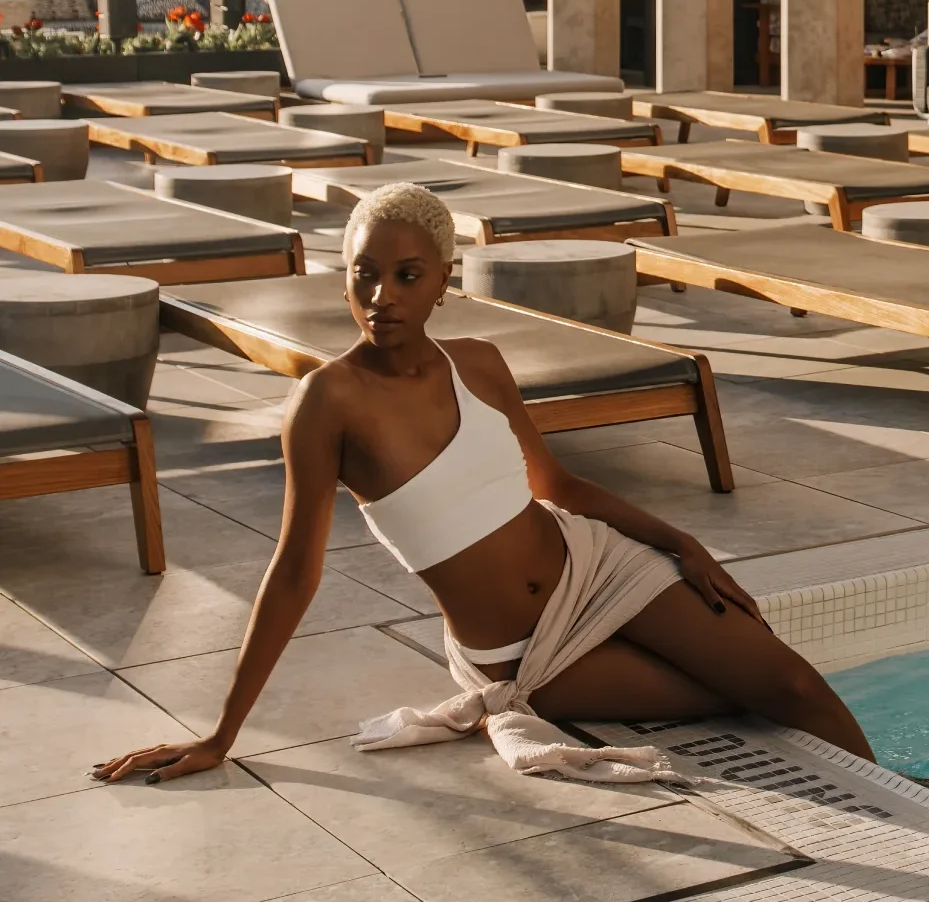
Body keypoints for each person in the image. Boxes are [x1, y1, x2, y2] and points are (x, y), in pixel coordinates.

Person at [93, 181, 872, 787]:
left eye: (406, 276)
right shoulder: (328, 403)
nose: (381, 298)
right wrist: (221, 734)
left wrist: (679, 541)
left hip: (597, 564)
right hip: (518, 653)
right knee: (730, 698)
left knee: (792, 686)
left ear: (442, 281)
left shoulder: (480, 363)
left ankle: (919, 791)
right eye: (364, 276)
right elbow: (295, 571)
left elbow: (558, 484)